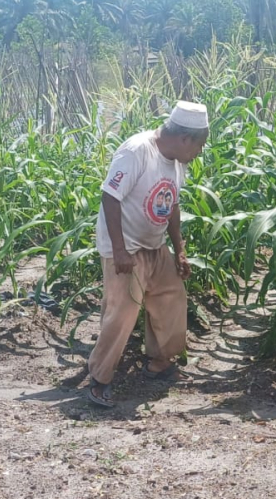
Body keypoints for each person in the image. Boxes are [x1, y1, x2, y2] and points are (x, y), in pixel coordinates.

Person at [87, 101, 209, 407]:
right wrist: (119, 251)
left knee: (171, 297)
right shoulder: (137, 151)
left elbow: (172, 205)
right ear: (185, 139)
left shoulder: (176, 161)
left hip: (154, 244)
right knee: (122, 312)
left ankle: (159, 363)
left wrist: (179, 250)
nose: (200, 152)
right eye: (200, 145)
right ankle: (99, 380)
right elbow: (110, 197)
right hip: (126, 247)